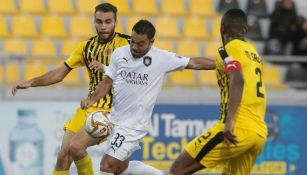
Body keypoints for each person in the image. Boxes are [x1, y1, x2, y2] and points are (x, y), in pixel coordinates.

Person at [80, 19, 216, 175]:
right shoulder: (119, 54)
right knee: (120, 168)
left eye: (140, 44)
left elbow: (194, 63)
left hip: (134, 125)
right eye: (132, 42)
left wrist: (222, 63)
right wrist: (92, 99)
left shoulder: (162, 58)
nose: (134, 47)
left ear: (152, 41)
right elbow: (107, 81)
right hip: (115, 120)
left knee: (107, 166)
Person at [12, 3, 130, 175]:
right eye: (99, 22)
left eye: (108, 22)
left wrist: (105, 68)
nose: (103, 26)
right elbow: (59, 73)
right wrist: (31, 82)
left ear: (116, 22)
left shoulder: (127, 45)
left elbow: (137, 74)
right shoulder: (86, 47)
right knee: (63, 156)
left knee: (79, 148)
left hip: (113, 111)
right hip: (89, 107)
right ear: (94, 21)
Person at [169, 9, 267, 175]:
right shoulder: (253, 53)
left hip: (237, 128)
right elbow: (217, 64)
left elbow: (239, 79)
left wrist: (230, 122)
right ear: (245, 30)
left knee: (178, 168)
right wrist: (179, 62)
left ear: (222, 29)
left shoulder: (226, 50)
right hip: (258, 133)